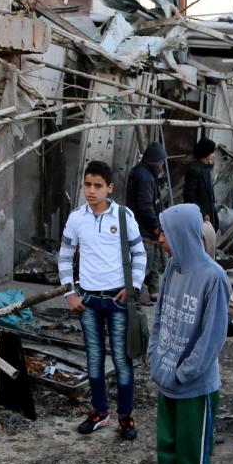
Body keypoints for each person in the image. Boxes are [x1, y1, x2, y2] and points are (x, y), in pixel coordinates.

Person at [138, 203, 231, 464]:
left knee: (192, 457)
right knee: (168, 454)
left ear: (181, 233)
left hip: (195, 388)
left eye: (164, 232)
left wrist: (181, 373)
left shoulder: (213, 278)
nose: (160, 239)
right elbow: (160, 318)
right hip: (167, 382)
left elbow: (211, 340)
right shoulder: (173, 271)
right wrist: (156, 361)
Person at [59, 161, 146, 440]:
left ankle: (125, 417)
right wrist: (69, 293)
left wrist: (133, 286)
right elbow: (64, 255)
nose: (91, 191)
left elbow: (140, 254)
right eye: (87, 185)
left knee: (122, 360)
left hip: (119, 299)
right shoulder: (76, 218)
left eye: (98, 186)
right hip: (88, 301)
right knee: (94, 359)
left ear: (109, 188)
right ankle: (100, 413)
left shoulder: (123, 216)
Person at [126, 141, 167, 303]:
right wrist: (155, 225)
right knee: (145, 263)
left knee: (154, 261)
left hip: (148, 229)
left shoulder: (147, 174)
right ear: (155, 161)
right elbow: (144, 206)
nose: (162, 165)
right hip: (143, 229)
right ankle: (137, 293)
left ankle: (153, 291)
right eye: (161, 162)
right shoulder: (144, 177)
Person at [183, 137, 219, 230]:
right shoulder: (194, 170)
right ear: (205, 153)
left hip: (207, 216)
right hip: (199, 219)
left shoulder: (206, 168)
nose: (213, 155)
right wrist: (202, 213)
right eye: (211, 152)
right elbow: (189, 197)